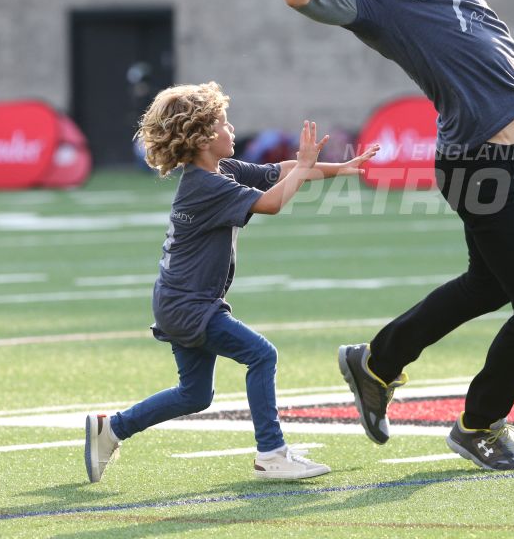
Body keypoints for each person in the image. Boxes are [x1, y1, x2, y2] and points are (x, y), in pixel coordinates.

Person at [272, 0, 514, 471]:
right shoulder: (366, 1)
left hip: (505, 157)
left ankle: (377, 362)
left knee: (488, 287)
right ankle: (479, 425)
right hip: (477, 162)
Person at [84, 82, 380, 483]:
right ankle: (272, 455)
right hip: (189, 304)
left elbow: (281, 172)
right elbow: (273, 202)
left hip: (180, 301)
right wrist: (308, 164)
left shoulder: (219, 171)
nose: (233, 129)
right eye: (224, 123)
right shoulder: (207, 186)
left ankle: (113, 428)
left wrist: (334, 168)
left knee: (194, 395)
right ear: (204, 137)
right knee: (262, 355)